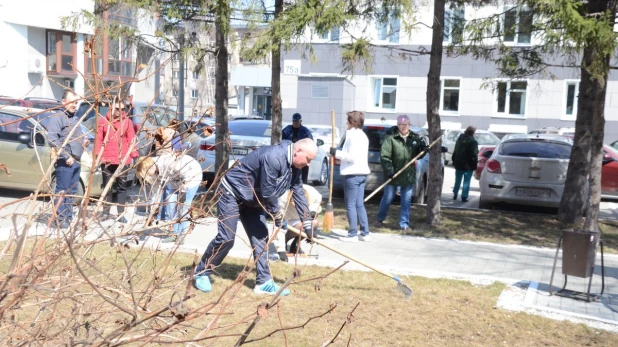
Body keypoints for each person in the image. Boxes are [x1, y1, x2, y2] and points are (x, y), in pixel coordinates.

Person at [193, 138, 318, 296]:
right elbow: (267, 192)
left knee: (261, 238)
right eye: (308, 159)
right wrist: (278, 215)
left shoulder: (294, 166)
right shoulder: (273, 157)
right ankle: (202, 272)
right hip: (231, 192)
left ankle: (263, 282)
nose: (308, 164)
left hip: (253, 199)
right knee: (227, 238)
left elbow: (298, 192)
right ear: (298, 151)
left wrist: (307, 224)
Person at [135, 153, 202, 243]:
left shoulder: (166, 162)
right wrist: (153, 210)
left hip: (191, 175)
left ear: (149, 167)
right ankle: (174, 233)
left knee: (184, 206)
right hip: (174, 180)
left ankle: (181, 235)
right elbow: (155, 193)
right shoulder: (154, 172)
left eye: (146, 173)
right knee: (171, 204)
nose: (147, 176)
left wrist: (183, 192)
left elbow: (185, 173)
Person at [46, 90, 89, 229]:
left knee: (72, 191)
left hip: (76, 161)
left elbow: (77, 138)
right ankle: (60, 219)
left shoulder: (75, 118)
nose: (74, 105)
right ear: (64, 102)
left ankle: (68, 218)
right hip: (65, 163)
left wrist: (84, 142)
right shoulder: (58, 117)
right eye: (71, 102)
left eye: (76, 103)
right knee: (62, 191)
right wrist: (66, 156)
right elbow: (52, 139)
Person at [376, 115, 427, 232]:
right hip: (393, 174)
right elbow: (385, 156)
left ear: (409, 125)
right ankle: (380, 218)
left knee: (406, 200)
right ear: (397, 125)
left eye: (406, 124)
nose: (403, 127)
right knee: (388, 198)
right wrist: (389, 170)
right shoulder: (391, 138)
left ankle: (404, 223)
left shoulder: (414, 138)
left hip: (408, 175)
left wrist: (424, 149)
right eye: (401, 125)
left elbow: (419, 153)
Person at [94, 97, 139, 223]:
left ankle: (120, 213)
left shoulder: (127, 122)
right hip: (107, 160)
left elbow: (131, 139)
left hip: (122, 160)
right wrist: (97, 156)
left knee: (121, 187)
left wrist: (135, 155)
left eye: (123, 109)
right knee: (107, 187)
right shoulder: (103, 122)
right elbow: (99, 140)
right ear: (111, 108)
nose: (120, 111)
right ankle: (105, 212)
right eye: (117, 109)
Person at [330, 111, 371, 242]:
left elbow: (351, 157)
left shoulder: (352, 136)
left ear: (353, 122)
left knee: (351, 204)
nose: (346, 122)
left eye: (347, 120)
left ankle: (352, 233)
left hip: (352, 173)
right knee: (359, 204)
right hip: (362, 173)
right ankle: (365, 233)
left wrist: (336, 153)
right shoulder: (363, 135)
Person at [274, 184, 323, 261]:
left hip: (304, 216)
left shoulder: (313, 193)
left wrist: (313, 211)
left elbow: (318, 201)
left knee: (314, 223)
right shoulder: (283, 200)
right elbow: (278, 225)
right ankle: (285, 239)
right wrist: (281, 249)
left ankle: (296, 244)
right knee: (302, 226)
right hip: (289, 218)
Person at [282, 113, 313, 184]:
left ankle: (303, 186)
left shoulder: (305, 131)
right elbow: (282, 142)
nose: (295, 123)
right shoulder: (287, 130)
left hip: (302, 157)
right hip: (290, 156)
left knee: (303, 176)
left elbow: (311, 144)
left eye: (297, 121)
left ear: (300, 121)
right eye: (294, 121)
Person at [452, 126, 479, 203]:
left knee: (457, 180)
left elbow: (455, 150)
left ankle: (455, 193)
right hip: (468, 165)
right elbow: (474, 154)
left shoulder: (459, 139)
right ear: (473, 133)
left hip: (458, 163)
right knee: (466, 181)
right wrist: (475, 164)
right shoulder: (473, 142)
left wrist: (454, 160)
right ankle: (464, 196)